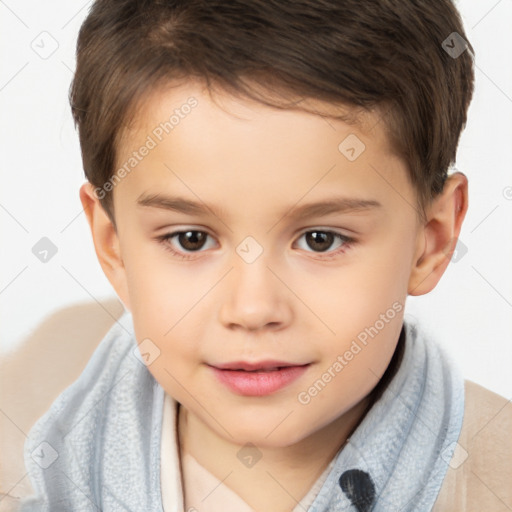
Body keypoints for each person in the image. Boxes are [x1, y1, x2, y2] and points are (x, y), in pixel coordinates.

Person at [17, 0, 511, 511]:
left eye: (321, 239)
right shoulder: (24, 446)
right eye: (191, 239)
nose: (252, 309)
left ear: (430, 241)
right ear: (112, 244)